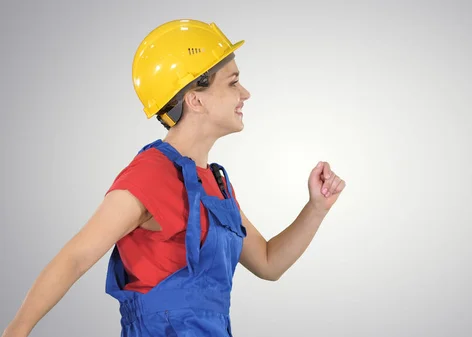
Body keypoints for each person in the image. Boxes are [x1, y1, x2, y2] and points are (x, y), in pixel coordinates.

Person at [1, 19, 345, 337]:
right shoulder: (151, 173)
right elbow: (74, 259)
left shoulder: (216, 186)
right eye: (234, 82)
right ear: (195, 99)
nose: (246, 94)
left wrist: (316, 208)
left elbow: (269, 263)